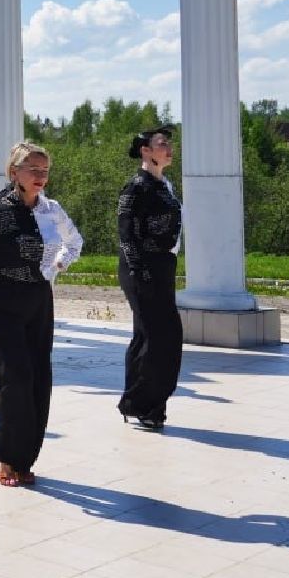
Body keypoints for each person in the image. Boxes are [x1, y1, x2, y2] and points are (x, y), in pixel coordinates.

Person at [0, 141, 83, 487]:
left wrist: (58, 265)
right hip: (3, 304)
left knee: (39, 381)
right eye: (33, 169)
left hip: (39, 301)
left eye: (45, 170)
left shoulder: (51, 210)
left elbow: (74, 241)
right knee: (16, 381)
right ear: (14, 172)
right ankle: (6, 456)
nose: (40, 176)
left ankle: (26, 458)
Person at [116, 126, 183, 431]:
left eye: (168, 144)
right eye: (161, 144)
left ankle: (148, 405)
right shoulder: (136, 187)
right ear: (145, 151)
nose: (168, 148)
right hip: (141, 268)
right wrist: (138, 270)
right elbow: (126, 234)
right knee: (156, 337)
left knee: (154, 336)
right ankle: (141, 404)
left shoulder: (164, 185)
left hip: (163, 266)